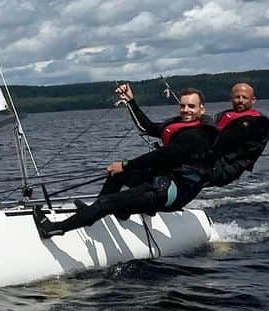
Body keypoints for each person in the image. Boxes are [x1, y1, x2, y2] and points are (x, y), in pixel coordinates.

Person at [33, 85, 217, 239]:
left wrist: (125, 164)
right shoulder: (181, 126)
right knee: (117, 175)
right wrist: (130, 101)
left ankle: (54, 228)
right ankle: (104, 211)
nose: (186, 110)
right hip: (163, 179)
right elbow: (148, 127)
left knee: (107, 200)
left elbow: (161, 157)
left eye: (191, 107)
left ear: (202, 109)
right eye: (183, 106)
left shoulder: (198, 135)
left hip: (172, 192)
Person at [205, 81, 269, 188]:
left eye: (244, 97)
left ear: (253, 100)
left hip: (229, 166)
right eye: (237, 97)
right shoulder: (222, 116)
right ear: (231, 99)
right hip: (210, 161)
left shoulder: (259, 122)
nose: (240, 101)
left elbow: (246, 151)